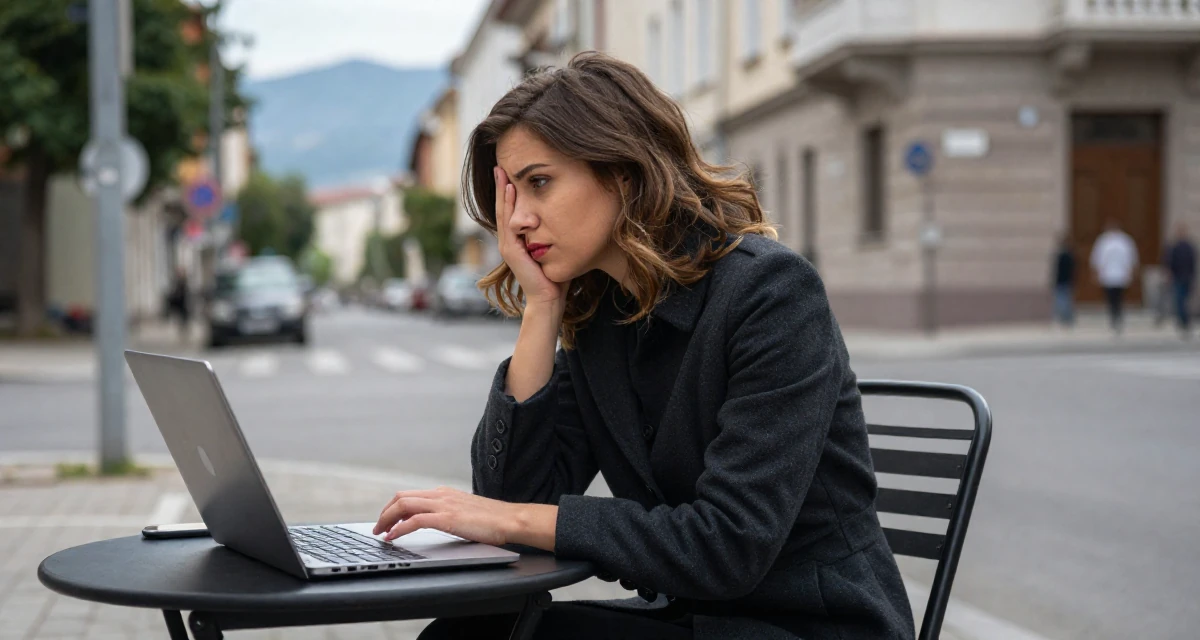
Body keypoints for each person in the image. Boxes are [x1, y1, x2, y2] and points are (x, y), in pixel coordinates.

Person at [372, 53, 915, 639]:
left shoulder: (771, 292)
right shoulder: (604, 316)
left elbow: (730, 546)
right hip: (698, 620)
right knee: (474, 631)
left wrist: (512, 520)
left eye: (540, 183)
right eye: (511, 194)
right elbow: (512, 500)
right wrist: (543, 307)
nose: (520, 219)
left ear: (623, 173)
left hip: (811, 625)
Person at [1090, 219, 1139, 334]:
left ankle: (1116, 316)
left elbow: (1131, 257)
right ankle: (1115, 316)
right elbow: (1098, 258)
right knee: (1114, 298)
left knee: (1116, 298)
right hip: (1112, 274)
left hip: (1117, 274)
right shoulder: (1105, 241)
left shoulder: (1123, 241)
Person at [1164, 222, 1196, 336]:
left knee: (1181, 300)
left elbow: (1192, 263)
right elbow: (1169, 262)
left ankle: (1184, 320)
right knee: (1181, 300)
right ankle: (1184, 321)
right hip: (1180, 277)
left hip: (1183, 277)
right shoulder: (1176, 247)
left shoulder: (1186, 247)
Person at [1051, 234, 1076, 327]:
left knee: (1062, 301)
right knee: (1066, 300)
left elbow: (1058, 270)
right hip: (1066, 281)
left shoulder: (1064, 256)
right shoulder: (1070, 255)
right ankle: (1066, 318)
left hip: (1062, 281)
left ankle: (1064, 318)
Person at [165, 266, 191, 344]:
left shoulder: (184, 282)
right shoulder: (178, 282)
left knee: (184, 320)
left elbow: (186, 294)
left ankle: (184, 333)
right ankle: (183, 333)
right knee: (181, 320)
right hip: (180, 304)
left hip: (184, 304)